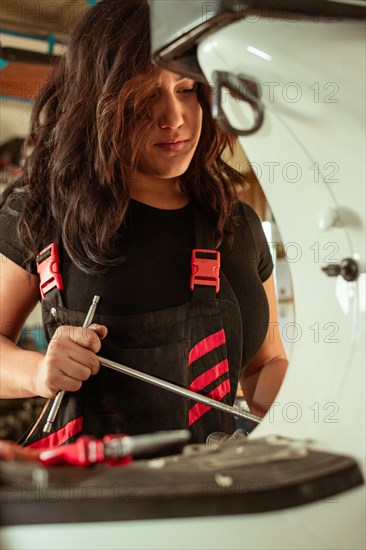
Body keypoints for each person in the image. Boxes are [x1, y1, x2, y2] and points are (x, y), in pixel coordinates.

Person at [0, 0, 288, 448]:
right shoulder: (43, 210)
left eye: (187, 89)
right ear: (98, 102)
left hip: (217, 492)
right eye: (144, 96)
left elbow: (263, 366)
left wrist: (311, 399)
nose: (173, 119)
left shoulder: (237, 224)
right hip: (96, 502)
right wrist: (38, 373)